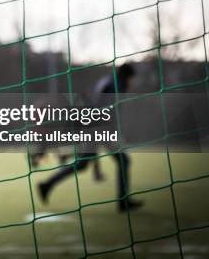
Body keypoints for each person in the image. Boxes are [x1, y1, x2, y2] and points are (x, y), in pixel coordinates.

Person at [38, 63, 143, 212]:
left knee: (82, 164)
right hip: (98, 129)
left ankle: (47, 184)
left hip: (92, 127)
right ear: (128, 76)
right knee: (123, 160)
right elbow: (105, 111)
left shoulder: (107, 81)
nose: (132, 83)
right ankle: (123, 201)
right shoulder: (115, 85)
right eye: (132, 79)